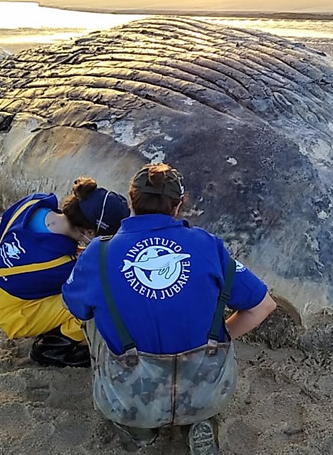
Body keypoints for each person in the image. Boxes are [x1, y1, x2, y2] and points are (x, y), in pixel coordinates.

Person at [62, 163, 277, 454]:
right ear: (178, 206)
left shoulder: (97, 252)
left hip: (129, 397)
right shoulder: (209, 245)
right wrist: (219, 335)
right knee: (212, 314)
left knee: (93, 316)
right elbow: (264, 305)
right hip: (206, 391)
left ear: (131, 203)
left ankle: (139, 428)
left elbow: (76, 307)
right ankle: (198, 420)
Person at [0, 177, 130, 368]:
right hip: (16, 314)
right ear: (90, 232)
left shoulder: (34, 202)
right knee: (95, 300)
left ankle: (48, 318)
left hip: (2, 277)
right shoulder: (58, 263)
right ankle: (53, 347)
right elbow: (85, 290)